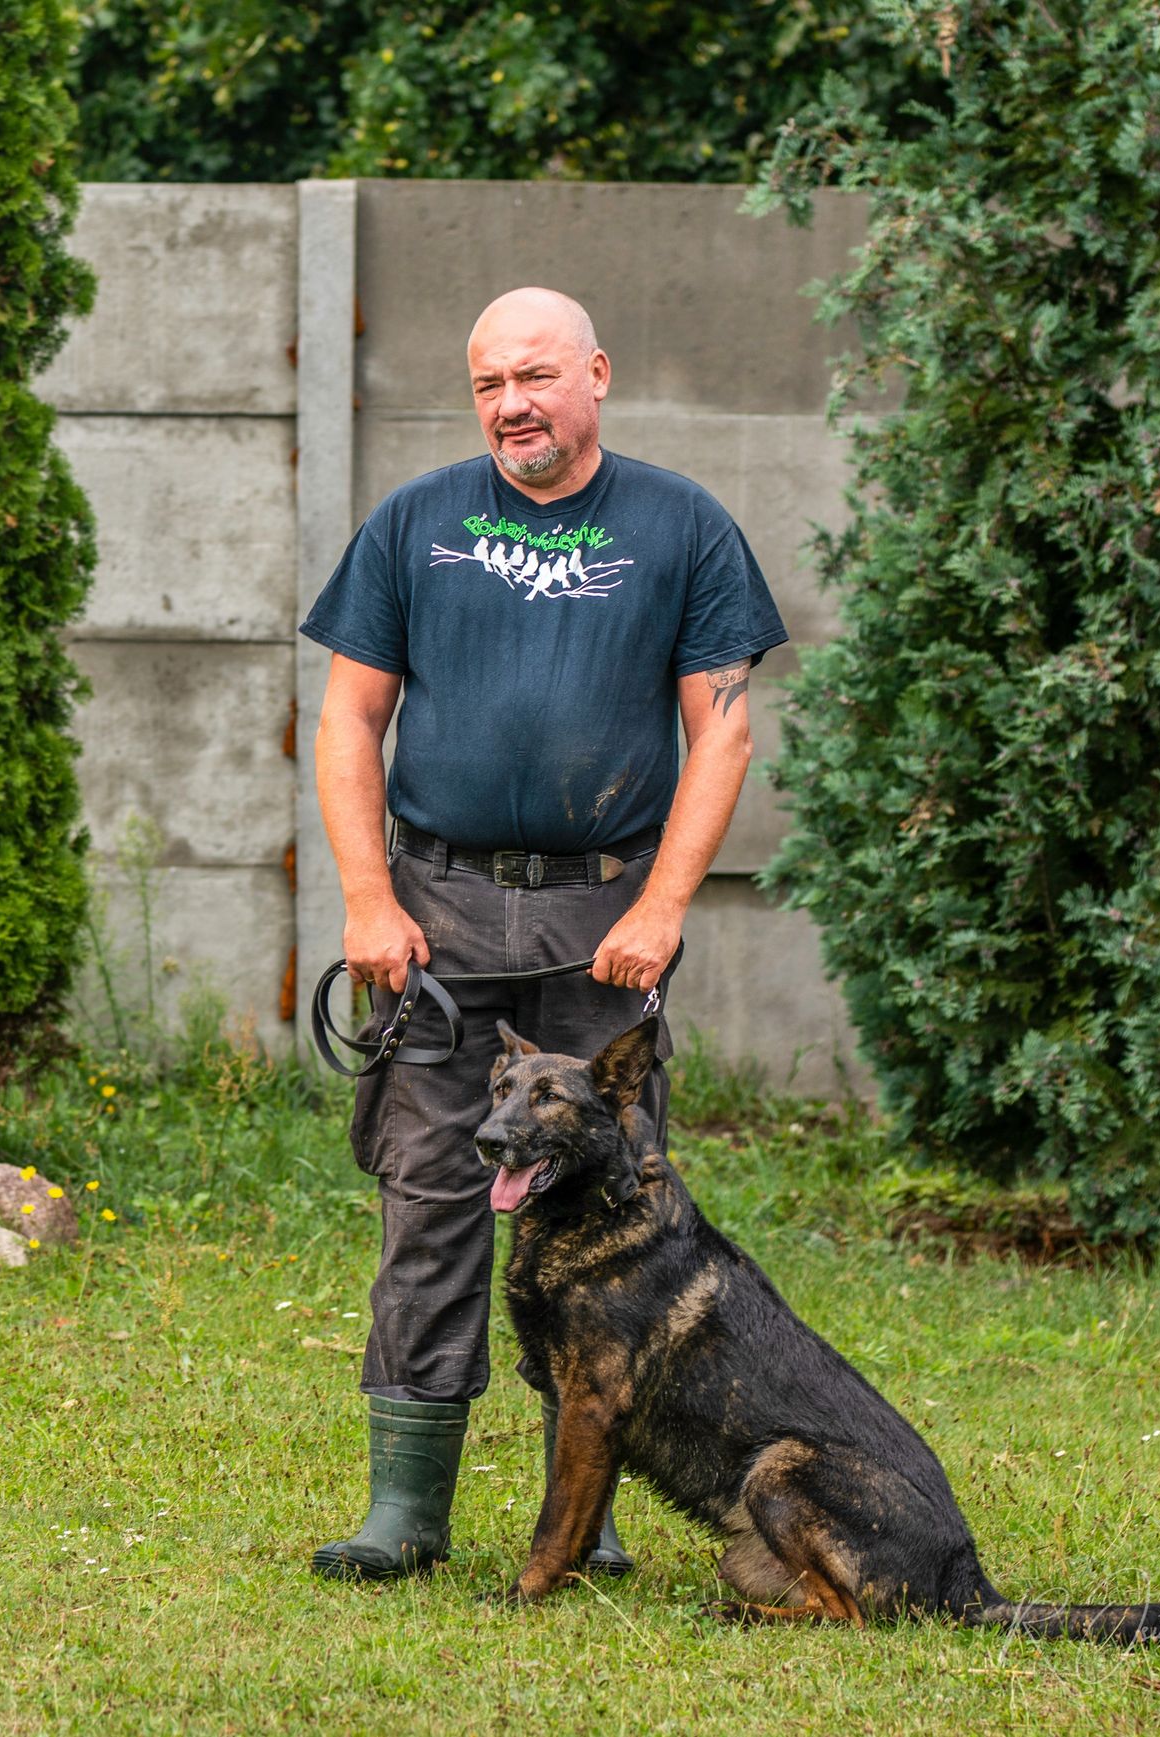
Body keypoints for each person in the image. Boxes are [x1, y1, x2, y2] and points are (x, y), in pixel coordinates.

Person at [300, 286, 788, 1581]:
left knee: (615, 1217)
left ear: (596, 375)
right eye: (486, 383)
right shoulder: (416, 522)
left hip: (601, 922)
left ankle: (597, 1505)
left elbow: (722, 729)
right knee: (431, 1201)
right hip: (440, 915)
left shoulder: (681, 526)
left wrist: (663, 906)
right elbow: (348, 720)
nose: (511, 403)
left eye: (533, 376)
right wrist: (367, 895)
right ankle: (407, 1508)